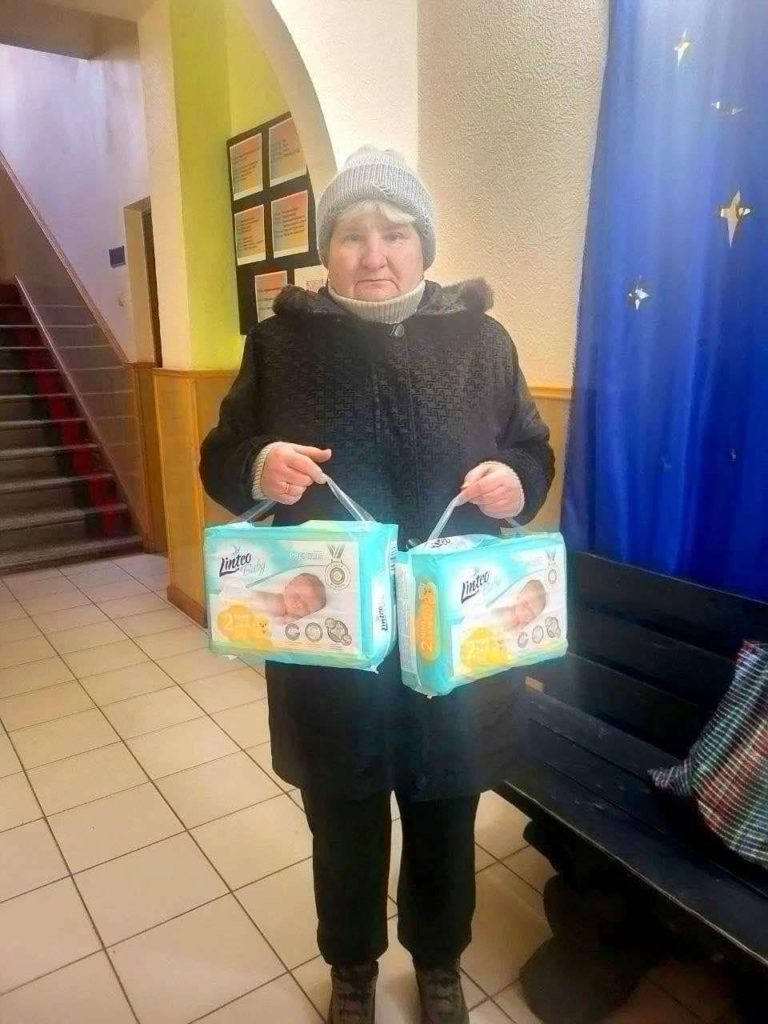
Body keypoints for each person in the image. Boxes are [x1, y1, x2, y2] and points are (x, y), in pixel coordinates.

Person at [200, 146, 554, 1024]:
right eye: (353, 235)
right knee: (344, 815)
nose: (373, 253)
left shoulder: (481, 339)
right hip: (332, 638)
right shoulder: (283, 341)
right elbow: (222, 456)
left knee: (445, 807)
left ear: (423, 244)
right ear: (329, 249)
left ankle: (438, 963)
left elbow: (530, 451)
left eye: (394, 232)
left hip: (449, 629)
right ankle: (352, 965)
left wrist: (517, 480)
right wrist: (260, 464)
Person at [249, 572, 328, 621]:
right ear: (287, 587)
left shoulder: (294, 619)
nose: (300, 604)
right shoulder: (278, 600)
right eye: (297, 596)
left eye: (307, 607)